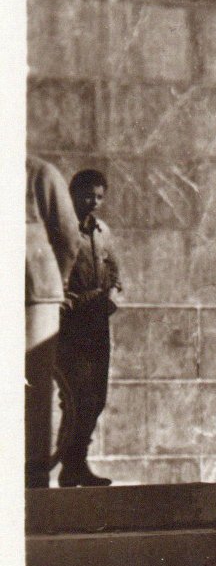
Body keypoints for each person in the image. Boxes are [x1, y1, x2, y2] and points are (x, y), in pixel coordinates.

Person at [56, 168, 121, 487]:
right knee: (76, 395)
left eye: (99, 197)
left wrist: (114, 293)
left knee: (97, 397)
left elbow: (114, 270)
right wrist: (62, 299)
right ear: (73, 193)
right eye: (87, 196)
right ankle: (69, 463)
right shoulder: (59, 227)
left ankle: (75, 463)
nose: (93, 202)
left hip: (98, 319)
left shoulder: (102, 230)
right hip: (71, 321)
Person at [25, 157, 80, 489]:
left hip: (35, 293)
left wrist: (56, 281)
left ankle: (34, 473)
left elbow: (69, 236)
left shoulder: (40, 172)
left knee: (33, 381)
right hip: (37, 288)